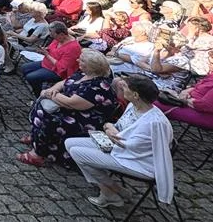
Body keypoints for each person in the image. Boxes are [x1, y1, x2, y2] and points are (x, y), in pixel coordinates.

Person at [66, 74, 175, 209]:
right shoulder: (133, 106)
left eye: (126, 87)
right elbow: (116, 127)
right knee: (69, 143)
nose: (122, 87)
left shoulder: (153, 123)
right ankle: (115, 190)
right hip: (119, 148)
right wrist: (108, 127)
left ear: (136, 95)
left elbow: (128, 145)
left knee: (77, 152)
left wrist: (111, 132)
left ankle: (110, 193)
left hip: (137, 161)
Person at [16, 49, 117, 167]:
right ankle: (36, 138)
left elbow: (72, 103)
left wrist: (51, 95)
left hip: (86, 119)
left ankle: (38, 154)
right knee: (40, 107)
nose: (78, 60)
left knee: (51, 119)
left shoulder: (99, 86)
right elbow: (65, 82)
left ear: (91, 66)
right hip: (70, 107)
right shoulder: (83, 73)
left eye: (82, 60)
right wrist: (53, 89)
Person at [20, 21, 82, 96]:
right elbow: (52, 49)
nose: (51, 36)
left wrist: (47, 55)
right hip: (47, 63)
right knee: (24, 68)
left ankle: (39, 95)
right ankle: (38, 88)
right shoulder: (58, 38)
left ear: (62, 34)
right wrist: (44, 50)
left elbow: (62, 67)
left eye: (53, 34)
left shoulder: (73, 47)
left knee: (31, 77)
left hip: (59, 72)